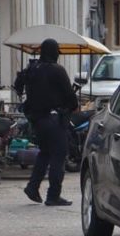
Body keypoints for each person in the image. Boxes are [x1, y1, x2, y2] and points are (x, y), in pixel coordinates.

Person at [14, 38, 79, 206]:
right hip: (54, 119)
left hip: (37, 120)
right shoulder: (57, 70)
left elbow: (17, 84)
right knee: (59, 155)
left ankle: (32, 187)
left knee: (45, 153)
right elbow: (70, 96)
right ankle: (53, 195)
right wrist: (71, 106)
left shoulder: (32, 69)